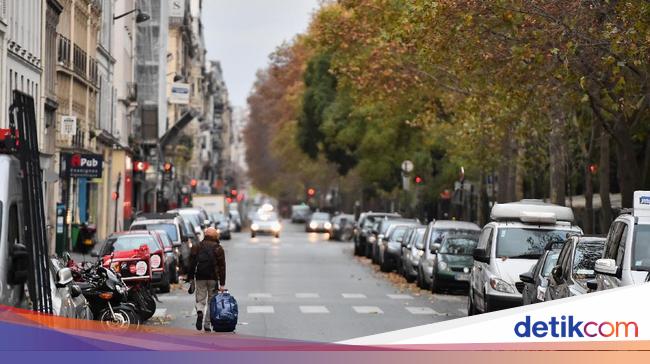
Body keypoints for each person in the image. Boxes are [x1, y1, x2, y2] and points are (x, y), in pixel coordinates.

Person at [187, 227, 226, 332]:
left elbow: (191, 264)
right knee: (211, 301)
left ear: (205, 235)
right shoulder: (218, 248)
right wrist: (222, 284)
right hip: (213, 278)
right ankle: (207, 324)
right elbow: (222, 267)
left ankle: (200, 312)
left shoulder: (197, 247)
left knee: (200, 299)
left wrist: (190, 277)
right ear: (215, 236)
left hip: (200, 277)